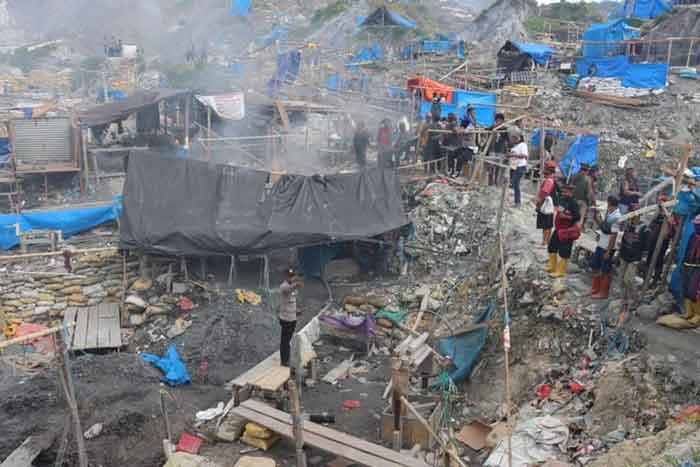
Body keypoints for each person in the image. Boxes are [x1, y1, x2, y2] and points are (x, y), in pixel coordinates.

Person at [618, 203, 647, 324]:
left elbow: (645, 246)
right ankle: (624, 301)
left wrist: (640, 258)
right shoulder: (628, 224)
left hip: (634, 257)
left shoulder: (644, 228)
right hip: (625, 255)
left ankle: (636, 299)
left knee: (628, 279)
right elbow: (624, 239)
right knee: (621, 279)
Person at [545, 183, 581, 278]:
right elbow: (559, 209)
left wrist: (566, 217)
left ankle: (561, 271)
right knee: (552, 247)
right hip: (558, 229)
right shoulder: (562, 200)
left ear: (571, 192)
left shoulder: (574, 204)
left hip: (566, 231)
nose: (563, 193)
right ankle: (552, 266)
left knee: (564, 251)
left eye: (565, 192)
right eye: (563, 191)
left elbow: (577, 217)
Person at [590, 195, 622, 299]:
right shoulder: (610, 214)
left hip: (607, 247)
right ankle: (595, 288)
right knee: (596, 266)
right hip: (601, 245)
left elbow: (613, 236)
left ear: (609, 203)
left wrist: (608, 251)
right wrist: (596, 217)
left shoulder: (616, 217)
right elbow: (604, 227)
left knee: (605, 271)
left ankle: (603, 292)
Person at [645, 193, 674, 286]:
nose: (660, 205)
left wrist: (664, 209)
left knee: (659, 260)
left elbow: (670, 220)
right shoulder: (657, 214)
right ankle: (646, 279)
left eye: (661, 202)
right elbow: (651, 224)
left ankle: (655, 280)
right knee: (650, 258)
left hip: (663, 242)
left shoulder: (669, 213)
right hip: (654, 240)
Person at [279, 269, 304, 367]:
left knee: (289, 339)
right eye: (289, 276)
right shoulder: (284, 286)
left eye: (292, 276)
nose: (291, 278)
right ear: (285, 277)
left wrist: (297, 311)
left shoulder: (293, 288)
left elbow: (291, 301)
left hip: (292, 317)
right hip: (285, 319)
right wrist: (296, 284)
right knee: (285, 341)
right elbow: (288, 290)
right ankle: (284, 361)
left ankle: (287, 358)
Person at [680, 214, 700, 327]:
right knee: (686, 289)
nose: (696, 226)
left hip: (698, 267)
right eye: (695, 224)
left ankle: (697, 314)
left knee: (694, 291)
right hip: (688, 264)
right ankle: (688, 312)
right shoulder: (693, 235)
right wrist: (683, 263)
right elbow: (688, 248)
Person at [535, 161, 557, 247]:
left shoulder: (548, 181)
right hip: (550, 207)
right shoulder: (552, 180)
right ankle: (546, 242)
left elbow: (544, 194)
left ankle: (545, 242)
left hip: (546, 206)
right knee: (548, 225)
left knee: (546, 225)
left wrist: (539, 205)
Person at [507, 129, 528, 208]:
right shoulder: (515, 146)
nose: (512, 140)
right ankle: (514, 200)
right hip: (514, 166)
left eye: (513, 138)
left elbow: (525, 156)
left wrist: (513, 155)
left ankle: (518, 202)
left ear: (518, 138)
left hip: (520, 167)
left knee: (515, 183)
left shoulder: (523, 145)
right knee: (513, 183)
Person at [571, 163, 594, 232]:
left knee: (572, 217)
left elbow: (571, 186)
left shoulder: (574, 176)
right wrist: (589, 203)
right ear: (587, 170)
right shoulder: (588, 179)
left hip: (574, 200)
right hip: (583, 202)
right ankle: (575, 234)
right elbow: (589, 193)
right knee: (580, 219)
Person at [488, 113, 508, 186]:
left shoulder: (505, 129)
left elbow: (507, 138)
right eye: (497, 120)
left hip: (500, 150)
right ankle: (490, 182)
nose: (498, 121)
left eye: (500, 120)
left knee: (498, 167)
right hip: (492, 149)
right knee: (491, 166)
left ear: (502, 121)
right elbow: (487, 130)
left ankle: (496, 182)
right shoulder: (493, 127)